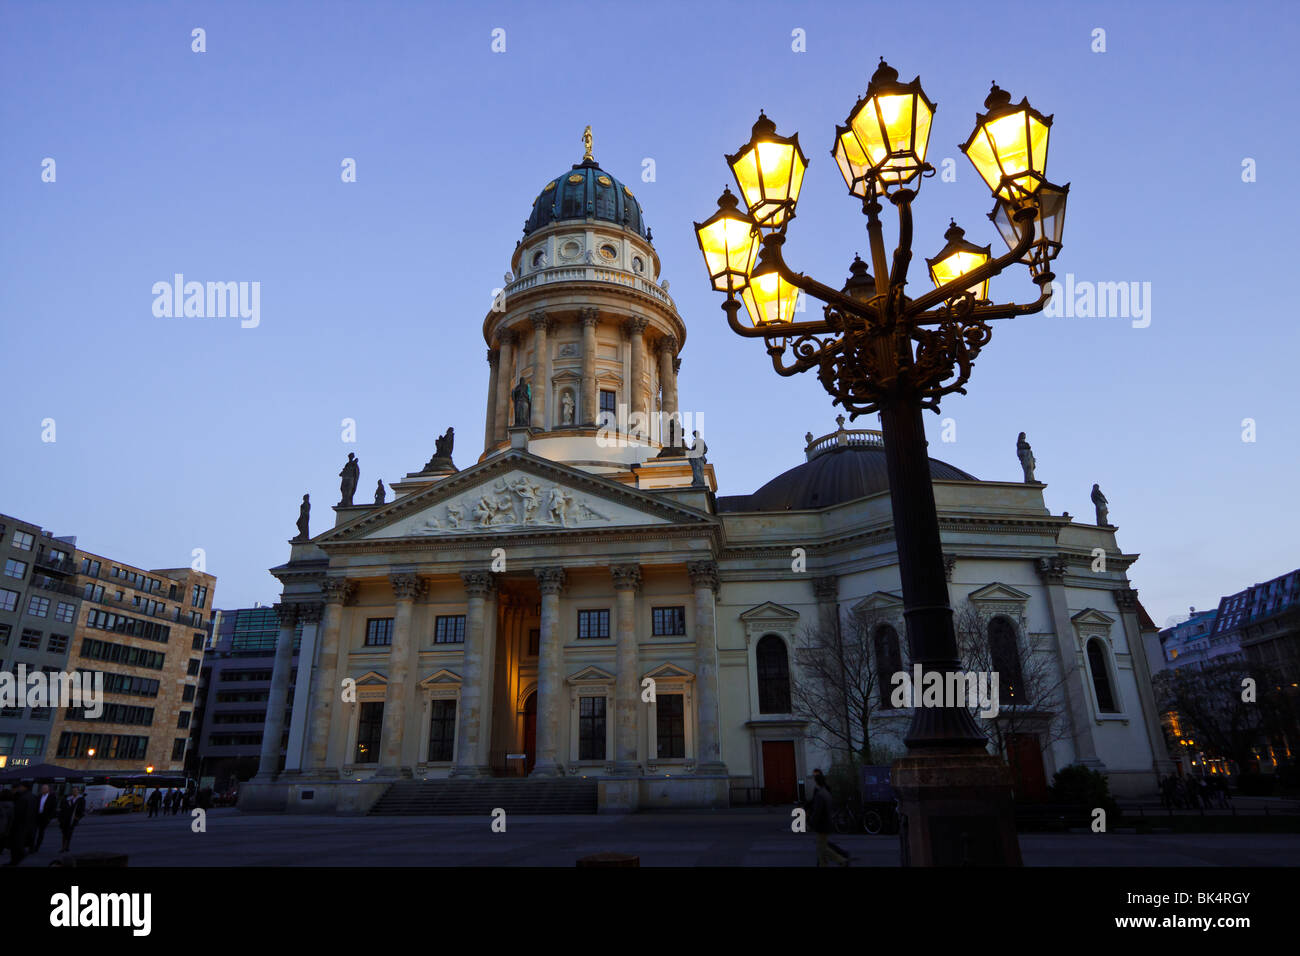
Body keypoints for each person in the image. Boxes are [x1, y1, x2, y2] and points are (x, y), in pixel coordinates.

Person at [809, 769, 849, 867]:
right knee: (822, 849)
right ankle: (826, 864)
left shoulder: (820, 794)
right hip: (826, 823)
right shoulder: (826, 793)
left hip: (822, 825)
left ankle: (841, 860)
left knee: (822, 849)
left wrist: (811, 823)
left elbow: (817, 812)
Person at [5, 782, 37, 866]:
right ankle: (16, 859)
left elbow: (18, 813)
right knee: (19, 843)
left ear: (24, 787)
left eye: (21, 787)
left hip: (20, 825)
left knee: (16, 845)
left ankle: (16, 859)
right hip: (28, 824)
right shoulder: (32, 797)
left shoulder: (23, 798)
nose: (19, 788)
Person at [57, 787, 86, 853]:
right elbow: (61, 809)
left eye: (76, 791)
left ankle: (65, 847)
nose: (74, 792)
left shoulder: (81, 799)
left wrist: (78, 817)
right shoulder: (67, 799)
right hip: (64, 818)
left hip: (73, 819)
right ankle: (65, 846)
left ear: (78, 792)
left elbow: (82, 810)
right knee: (64, 832)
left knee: (69, 832)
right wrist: (59, 818)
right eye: (73, 791)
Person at [33, 783, 57, 852]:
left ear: (48, 790)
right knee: (34, 831)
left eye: (45, 788)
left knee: (41, 831)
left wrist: (50, 817)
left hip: (45, 816)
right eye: (42, 788)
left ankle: (37, 846)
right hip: (37, 816)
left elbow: (53, 808)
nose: (43, 790)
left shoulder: (51, 797)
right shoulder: (38, 796)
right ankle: (32, 845)